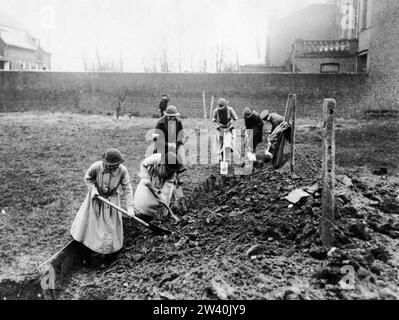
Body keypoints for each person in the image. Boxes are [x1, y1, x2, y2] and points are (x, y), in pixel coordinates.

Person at [70, 148, 134, 265]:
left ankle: (107, 259)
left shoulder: (123, 171)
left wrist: (130, 208)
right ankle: (86, 258)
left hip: (111, 203)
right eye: (108, 165)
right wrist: (93, 190)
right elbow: (88, 178)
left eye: (114, 166)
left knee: (109, 230)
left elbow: (127, 189)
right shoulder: (96, 167)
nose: (111, 167)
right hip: (96, 200)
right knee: (91, 228)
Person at [132, 151, 183, 223]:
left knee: (164, 199)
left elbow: (173, 187)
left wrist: (161, 195)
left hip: (165, 182)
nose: (172, 172)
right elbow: (143, 164)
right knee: (145, 201)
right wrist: (146, 178)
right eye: (168, 170)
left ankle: (161, 218)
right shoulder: (155, 159)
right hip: (151, 180)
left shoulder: (173, 170)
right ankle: (140, 214)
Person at [153, 105, 186, 171]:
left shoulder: (179, 122)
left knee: (181, 154)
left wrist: (175, 144)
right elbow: (155, 137)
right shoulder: (160, 122)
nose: (171, 118)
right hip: (163, 144)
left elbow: (181, 135)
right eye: (169, 117)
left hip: (175, 144)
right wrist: (167, 144)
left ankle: (180, 168)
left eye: (173, 117)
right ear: (166, 115)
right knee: (158, 161)